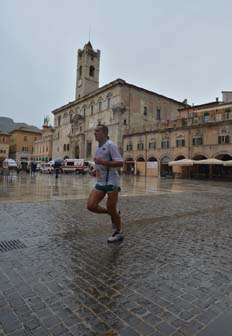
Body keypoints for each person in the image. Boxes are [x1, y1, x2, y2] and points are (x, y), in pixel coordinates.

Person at [87, 124, 124, 243]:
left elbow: (120, 163)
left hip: (112, 181)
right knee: (91, 206)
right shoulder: (98, 146)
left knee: (111, 206)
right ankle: (112, 213)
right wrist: (95, 170)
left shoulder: (111, 145)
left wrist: (102, 162)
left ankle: (118, 233)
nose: (95, 133)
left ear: (104, 133)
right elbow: (99, 164)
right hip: (101, 181)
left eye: (97, 131)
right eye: (95, 131)